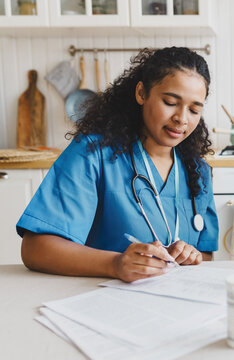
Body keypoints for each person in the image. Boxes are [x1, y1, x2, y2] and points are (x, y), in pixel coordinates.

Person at [17, 47, 218, 282]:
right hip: (102, 300)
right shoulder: (93, 153)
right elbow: (35, 249)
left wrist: (191, 256)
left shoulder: (197, 172)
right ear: (142, 93)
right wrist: (115, 264)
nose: (182, 119)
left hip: (175, 304)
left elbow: (205, 254)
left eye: (194, 109)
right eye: (170, 102)